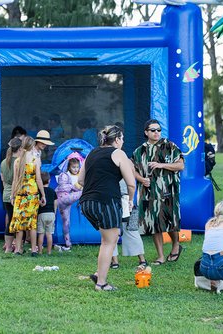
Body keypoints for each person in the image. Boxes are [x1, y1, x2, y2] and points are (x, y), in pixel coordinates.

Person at [78, 125, 136, 291]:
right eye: (122, 139)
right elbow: (131, 183)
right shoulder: (118, 153)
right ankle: (101, 283)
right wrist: (131, 200)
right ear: (117, 139)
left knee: (107, 239)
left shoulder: (91, 152)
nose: (122, 142)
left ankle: (99, 273)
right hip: (106, 201)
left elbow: (81, 180)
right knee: (109, 241)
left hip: (87, 203)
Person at [132, 119, 184, 265]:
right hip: (149, 194)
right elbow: (132, 170)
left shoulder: (170, 146)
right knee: (154, 224)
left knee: (170, 222)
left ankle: (175, 246)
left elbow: (180, 166)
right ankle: (160, 256)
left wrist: (161, 165)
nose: (156, 133)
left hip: (169, 191)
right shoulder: (139, 151)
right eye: (153, 130)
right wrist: (141, 179)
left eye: (159, 130)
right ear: (146, 132)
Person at [9, 136, 46, 257]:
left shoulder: (17, 161)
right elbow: (39, 179)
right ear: (32, 146)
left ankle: (18, 249)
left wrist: (12, 195)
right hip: (32, 194)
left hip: (20, 193)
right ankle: (34, 249)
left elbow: (15, 180)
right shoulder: (35, 160)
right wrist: (43, 194)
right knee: (32, 223)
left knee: (20, 223)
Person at [110, 177, 147, 269]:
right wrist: (130, 200)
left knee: (111, 232)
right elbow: (131, 185)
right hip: (124, 199)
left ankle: (115, 262)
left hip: (113, 200)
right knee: (131, 230)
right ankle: (142, 260)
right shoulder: (126, 163)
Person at [55, 155, 83, 249]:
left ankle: (68, 242)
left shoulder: (78, 176)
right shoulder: (65, 175)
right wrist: (74, 187)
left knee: (66, 222)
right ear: (69, 167)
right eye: (73, 167)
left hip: (65, 200)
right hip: (64, 198)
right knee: (84, 192)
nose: (75, 169)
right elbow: (63, 187)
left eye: (77, 167)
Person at [0, 137, 22, 253]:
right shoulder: (19, 162)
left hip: (6, 194)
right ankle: (18, 248)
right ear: (20, 148)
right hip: (17, 194)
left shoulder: (4, 162)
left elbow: (3, 180)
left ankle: (8, 247)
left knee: (9, 222)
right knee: (17, 223)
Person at [37, 172, 58, 255]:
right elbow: (55, 204)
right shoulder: (53, 191)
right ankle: (49, 252)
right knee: (49, 234)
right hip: (51, 214)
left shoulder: (39, 192)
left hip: (42, 214)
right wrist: (54, 213)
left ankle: (40, 251)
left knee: (41, 234)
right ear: (49, 181)